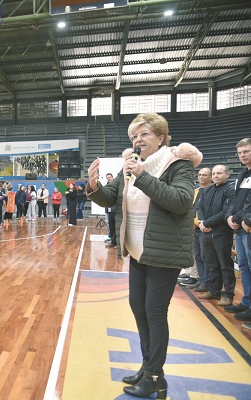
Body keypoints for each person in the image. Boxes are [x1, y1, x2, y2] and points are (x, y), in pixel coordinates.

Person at [87, 112, 201, 399]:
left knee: (154, 312)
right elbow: (110, 197)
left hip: (163, 251)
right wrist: (94, 186)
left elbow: (181, 202)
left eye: (144, 134)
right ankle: (147, 366)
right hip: (138, 250)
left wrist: (142, 175)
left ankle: (155, 376)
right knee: (138, 307)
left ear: (161, 137)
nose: (138, 140)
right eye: (134, 136)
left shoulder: (178, 163)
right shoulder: (131, 166)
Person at [197, 164, 235, 307]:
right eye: (214, 173)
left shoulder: (230, 190)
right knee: (211, 263)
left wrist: (207, 223)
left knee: (225, 265)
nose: (216, 176)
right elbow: (200, 207)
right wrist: (202, 222)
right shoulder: (207, 190)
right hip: (207, 231)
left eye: (219, 173)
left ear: (227, 174)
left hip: (222, 233)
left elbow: (225, 212)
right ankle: (214, 290)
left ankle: (228, 294)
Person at [224, 138, 251, 322]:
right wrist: (230, 216)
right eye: (240, 152)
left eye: (246, 151)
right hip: (239, 227)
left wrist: (239, 218)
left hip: (247, 226)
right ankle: (246, 302)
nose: (242, 155)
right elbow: (234, 201)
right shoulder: (241, 175)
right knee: (243, 266)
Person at [182, 167, 212, 290]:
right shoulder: (196, 191)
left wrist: (200, 223)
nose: (201, 177)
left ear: (210, 177)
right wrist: (192, 222)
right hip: (194, 227)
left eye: (204, 175)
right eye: (199, 175)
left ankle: (207, 282)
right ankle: (201, 280)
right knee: (197, 256)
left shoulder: (212, 190)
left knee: (205, 257)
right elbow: (192, 208)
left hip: (205, 227)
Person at [104, 174, 117, 248]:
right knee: (111, 226)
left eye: (110, 177)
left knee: (116, 227)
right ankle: (113, 241)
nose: (108, 179)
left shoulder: (116, 186)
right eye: (107, 178)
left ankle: (117, 243)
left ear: (112, 177)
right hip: (108, 210)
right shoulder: (106, 187)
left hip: (116, 209)